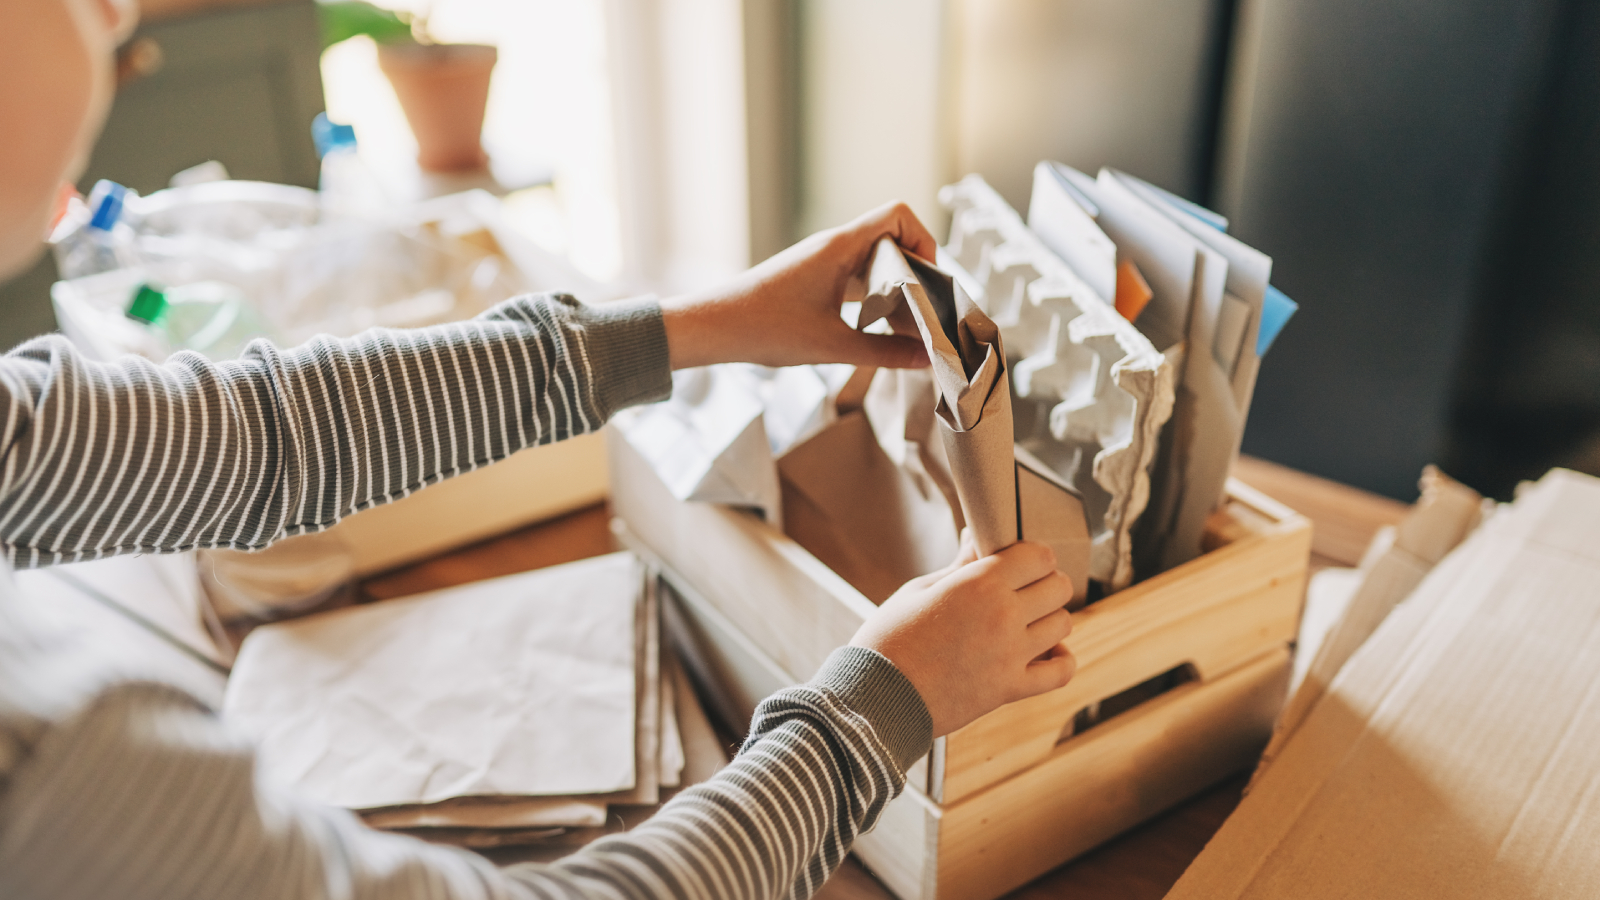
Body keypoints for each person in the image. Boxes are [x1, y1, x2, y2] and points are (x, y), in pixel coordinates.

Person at [0, 1, 1077, 897]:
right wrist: (880, 705)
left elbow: (261, 440)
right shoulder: (52, 748)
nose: (118, 28)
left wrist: (697, 325)